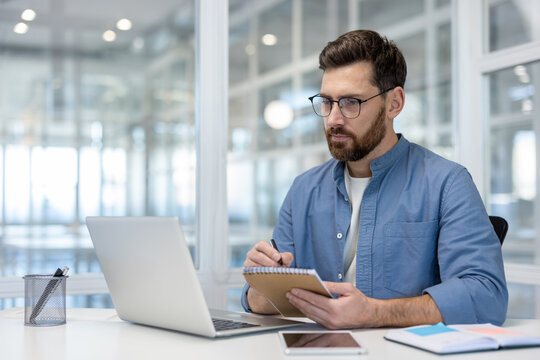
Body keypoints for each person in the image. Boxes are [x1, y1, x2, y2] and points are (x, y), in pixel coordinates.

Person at [241, 30, 508, 329]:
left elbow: (487, 297)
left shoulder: (448, 183)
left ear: (394, 103)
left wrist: (374, 312)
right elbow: (263, 303)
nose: (333, 119)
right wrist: (260, 284)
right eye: (327, 102)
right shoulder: (303, 190)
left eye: (351, 102)